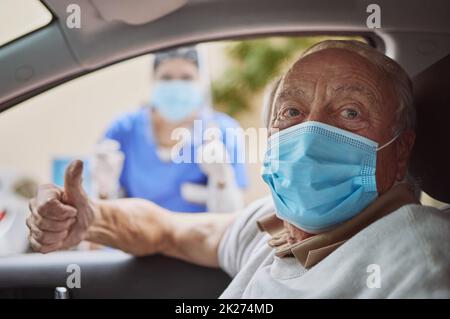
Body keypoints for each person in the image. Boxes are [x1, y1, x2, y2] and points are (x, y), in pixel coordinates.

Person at [27, 40, 450, 298]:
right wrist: (91, 218)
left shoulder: (419, 261)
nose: (310, 132)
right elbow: (169, 230)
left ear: (400, 152)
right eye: (291, 111)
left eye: (350, 112)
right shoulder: (276, 223)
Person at [96, 46, 247, 212]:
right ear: (153, 80)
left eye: (186, 78)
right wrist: (104, 189)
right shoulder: (124, 130)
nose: (176, 86)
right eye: (166, 78)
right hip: (138, 235)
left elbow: (232, 217)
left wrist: (222, 178)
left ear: (200, 82)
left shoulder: (223, 130)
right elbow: (105, 212)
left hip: (199, 236)